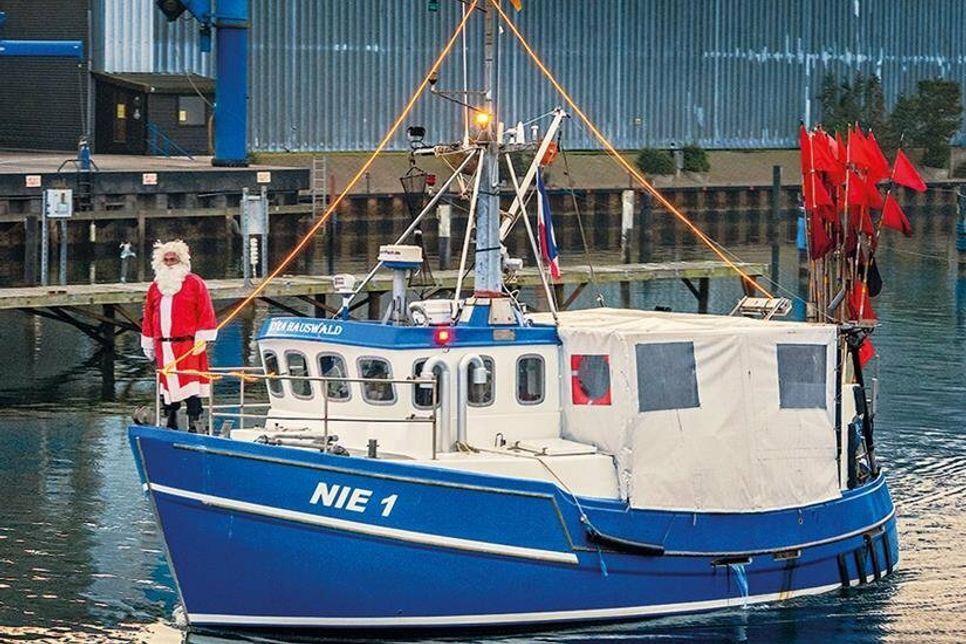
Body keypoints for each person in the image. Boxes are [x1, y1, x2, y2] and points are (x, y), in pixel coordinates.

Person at [140, 240, 217, 432]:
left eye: (173, 259)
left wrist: (202, 337)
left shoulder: (194, 283)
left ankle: (195, 421)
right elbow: (148, 315)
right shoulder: (155, 288)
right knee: (167, 385)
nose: (169, 263)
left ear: (181, 260)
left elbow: (205, 310)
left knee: (191, 384)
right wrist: (148, 342)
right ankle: (170, 419)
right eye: (166, 260)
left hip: (188, 344)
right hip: (163, 346)